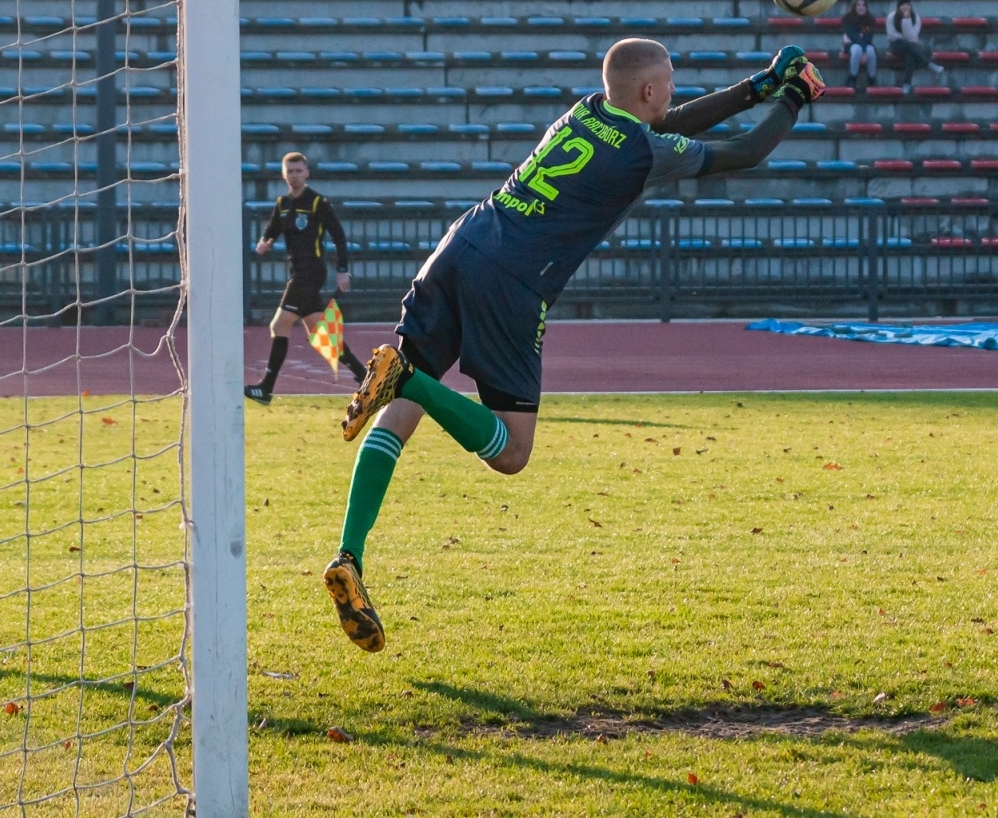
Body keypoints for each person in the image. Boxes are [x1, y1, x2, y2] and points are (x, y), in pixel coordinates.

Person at [320, 39, 825, 652]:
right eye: (668, 82)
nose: (673, 91)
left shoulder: (587, 110)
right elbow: (741, 153)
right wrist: (794, 98)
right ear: (647, 90)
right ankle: (404, 377)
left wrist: (758, 85)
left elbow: (669, 129)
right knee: (509, 451)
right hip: (513, 278)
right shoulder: (640, 149)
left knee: (400, 419)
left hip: (464, 242)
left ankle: (350, 554)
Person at [245, 152, 366, 404]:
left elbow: (339, 236)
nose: (295, 175)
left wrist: (342, 269)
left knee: (278, 326)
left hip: (310, 274)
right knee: (321, 335)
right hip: (298, 273)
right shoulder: (283, 203)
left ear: (307, 173)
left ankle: (266, 388)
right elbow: (272, 229)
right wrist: (264, 242)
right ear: (284, 174)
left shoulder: (317, 202)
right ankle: (365, 377)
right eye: (290, 171)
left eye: (299, 171)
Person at [886, 0, 945, 92]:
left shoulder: (915, 17)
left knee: (911, 56)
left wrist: (906, 19)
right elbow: (892, 35)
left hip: (912, 46)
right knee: (910, 45)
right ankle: (929, 64)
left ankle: (906, 84)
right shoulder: (891, 17)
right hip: (896, 44)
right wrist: (908, 39)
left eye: (908, 5)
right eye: (903, 5)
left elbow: (912, 35)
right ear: (898, 7)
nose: (906, 7)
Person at [840, 0, 877, 92]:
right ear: (854, 7)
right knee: (857, 49)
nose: (861, 7)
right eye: (858, 5)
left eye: (864, 5)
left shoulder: (870, 19)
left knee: (871, 50)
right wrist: (863, 49)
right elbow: (853, 36)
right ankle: (852, 77)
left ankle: (872, 78)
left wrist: (864, 50)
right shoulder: (847, 18)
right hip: (850, 45)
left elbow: (868, 36)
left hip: (865, 43)